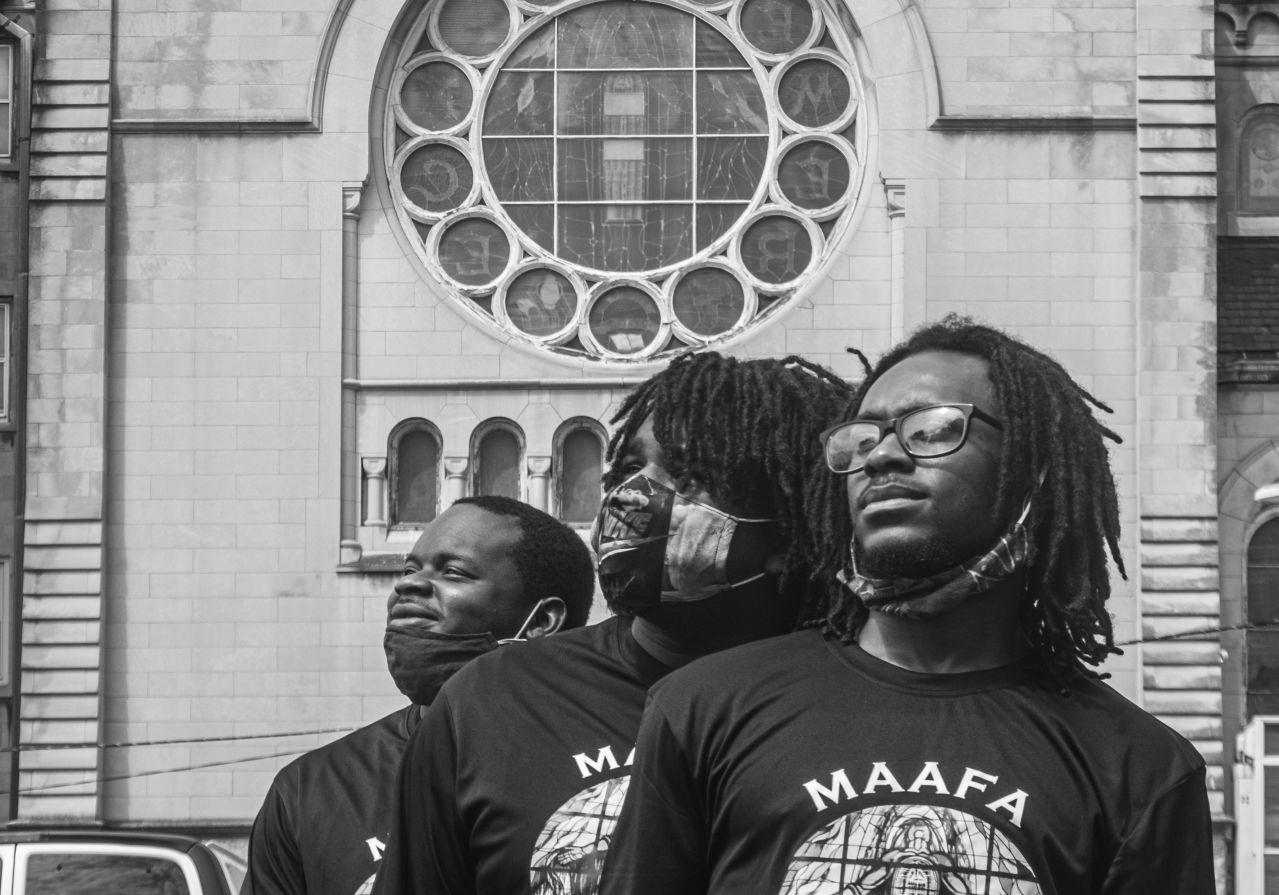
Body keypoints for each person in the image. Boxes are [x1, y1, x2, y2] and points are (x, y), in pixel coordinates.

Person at [603, 317, 1215, 895]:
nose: (882, 456)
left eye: (931, 429)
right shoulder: (701, 709)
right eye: (861, 439)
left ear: (1034, 471)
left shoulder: (1140, 770)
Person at [376, 349, 851, 895]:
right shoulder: (492, 700)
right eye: (629, 468)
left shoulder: (853, 702)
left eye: (691, 476)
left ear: (787, 533)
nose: (632, 497)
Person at [244, 495, 595, 895]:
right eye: (410, 568)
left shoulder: (631, 750)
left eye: (453, 572)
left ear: (544, 620)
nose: (407, 583)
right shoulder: (313, 791)